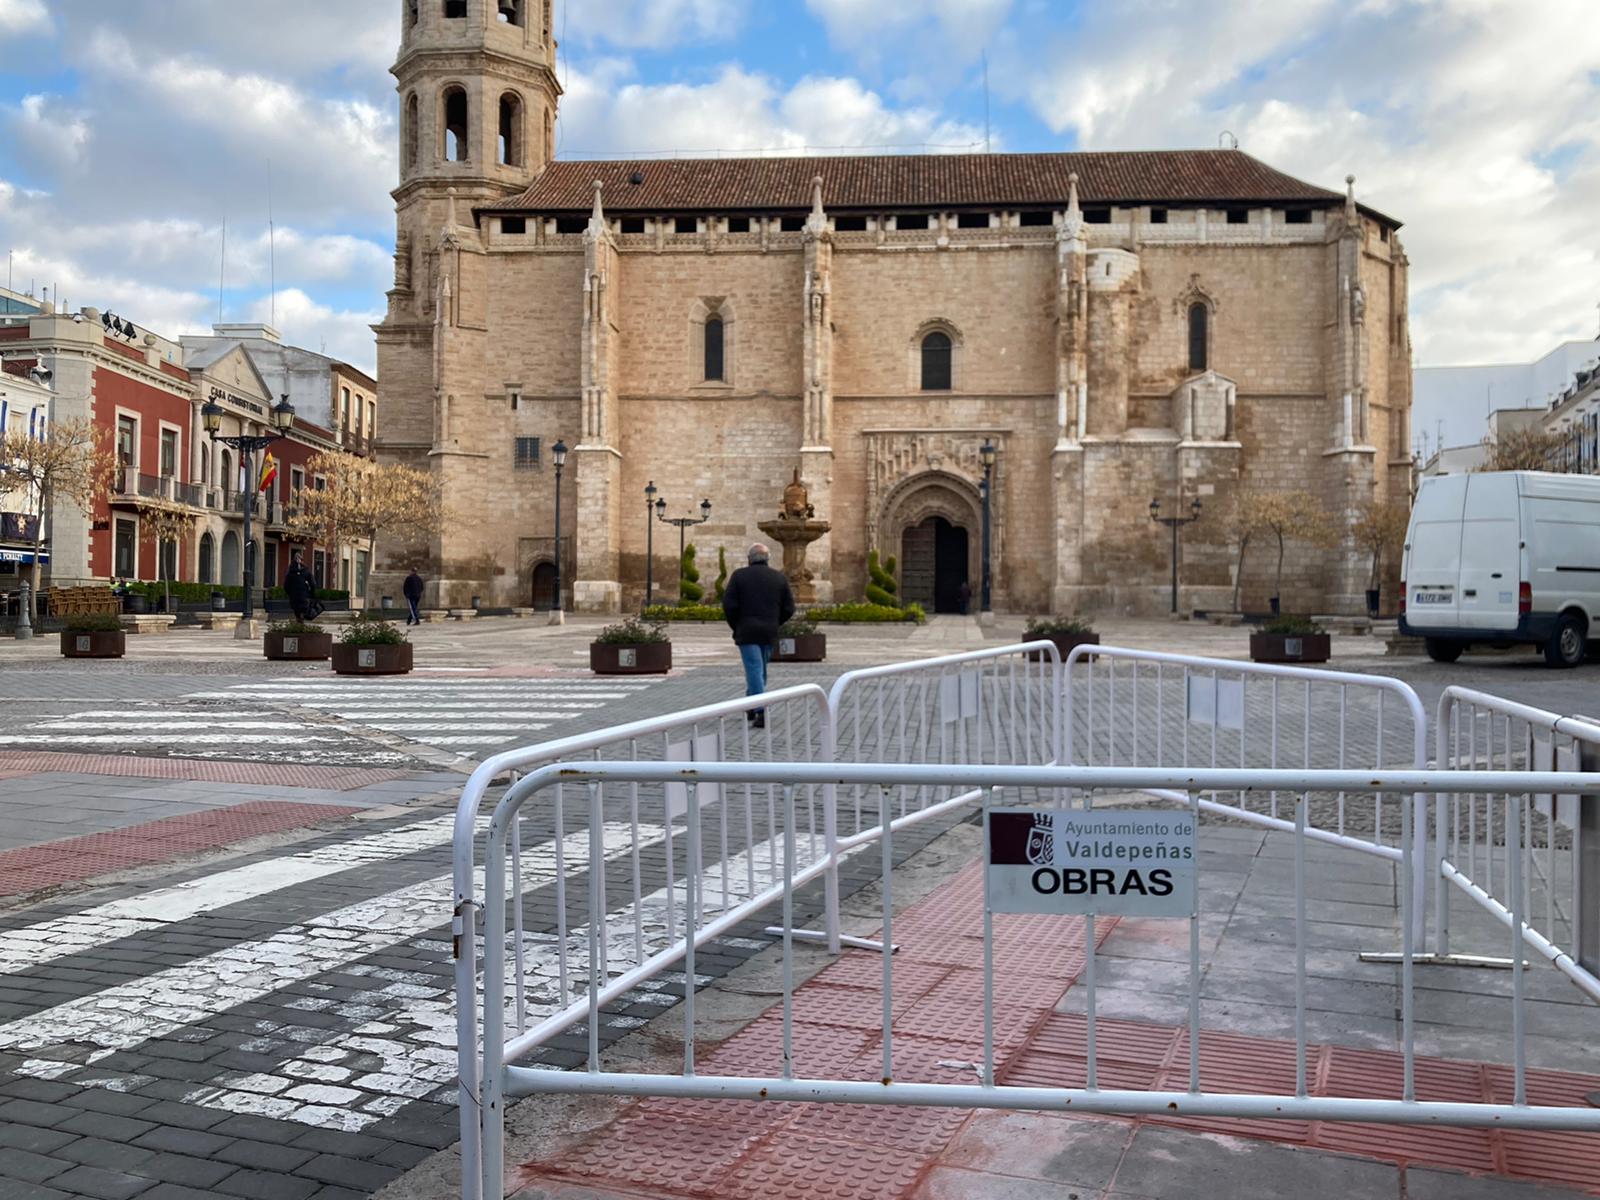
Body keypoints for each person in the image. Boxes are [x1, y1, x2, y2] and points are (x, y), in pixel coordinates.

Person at [721, 542, 795, 729]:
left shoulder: (739, 576)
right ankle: (751, 705)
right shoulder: (778, 578)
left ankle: (760, 710)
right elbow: (789, 608)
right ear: (768, 559)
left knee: (755, 669)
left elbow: (729, 605)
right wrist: (776, 622)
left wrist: (736, 625)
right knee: (760, 669)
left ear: (749, 559)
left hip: (747, 630)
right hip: (769, 630)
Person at [284, 551, 317, 622]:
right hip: (304, 596)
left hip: (294, 597)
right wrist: (311, 594)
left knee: (297, 612)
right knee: (303, 611)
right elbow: (313, 584)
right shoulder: (306, 570)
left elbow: (286, 585)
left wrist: (290, 593)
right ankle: (301, 623)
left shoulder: (290, 571)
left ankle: (299, 622)